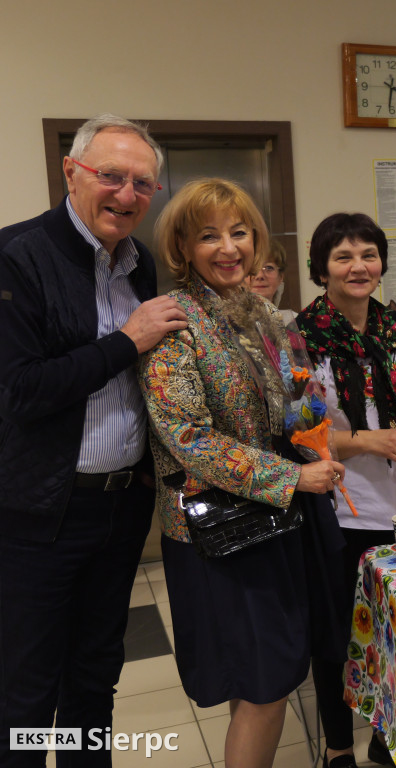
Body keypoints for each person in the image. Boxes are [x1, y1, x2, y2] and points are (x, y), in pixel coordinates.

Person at [138, 178, 346, 768]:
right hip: (221, 533)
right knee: (264, 685)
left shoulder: (266, 317)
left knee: (263, 677)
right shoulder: (175, 323)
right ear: (182, 248)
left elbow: (296, 405)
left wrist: (316, 438)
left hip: (276, 522)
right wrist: (290, 478)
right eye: (209, 236)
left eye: (239, 232)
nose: (229, 248)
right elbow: (188, 437)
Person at [0, 114, 188, 767]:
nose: (127, 194)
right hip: (39, 516)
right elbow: (19, 391)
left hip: (119, 509)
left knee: (94, 680)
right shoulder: (17, 256)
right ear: (71, 172)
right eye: (111, 175)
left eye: (143, 183)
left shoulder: (141, 266)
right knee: (25, 698)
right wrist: (127, 341)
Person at [297, 212, 396, 768]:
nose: (358, 266)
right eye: (343, 256)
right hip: (340, 508)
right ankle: (338, 745)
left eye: (368, 254)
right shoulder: (301, 338)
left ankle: (385, 732)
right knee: (337, 635)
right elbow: (300, 432)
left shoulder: (395, 328)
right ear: (322, 267)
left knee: (394, 629)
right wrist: (370, 441)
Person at [248, 238, 294, 322]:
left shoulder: (292, 321)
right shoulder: (227, 323)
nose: (260, 275)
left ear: (281, 277)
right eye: (253, 268)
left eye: (269, 268)